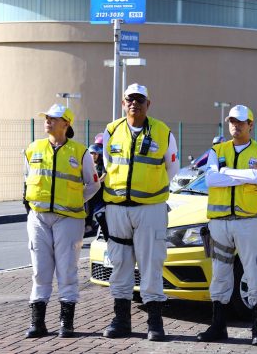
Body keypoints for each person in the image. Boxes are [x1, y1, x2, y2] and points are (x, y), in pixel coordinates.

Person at [101, 83, 179, 341]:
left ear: (149, 104)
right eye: (129, 99)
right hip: (117, 209)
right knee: (120, 264)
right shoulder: (112, 130)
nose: (134, 103)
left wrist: (150, 191)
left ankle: (155, 324)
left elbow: (171, 169)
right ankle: (121, 320)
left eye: (140, 99)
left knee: (151, 264)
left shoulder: (163, 132)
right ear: (123, 103)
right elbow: (108, 164)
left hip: (150, 209)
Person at [197, 105, 257, 346]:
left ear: (251, 124)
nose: (235, 125)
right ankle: (218, 326)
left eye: (241, 122)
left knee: (256, 272)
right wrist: (242, 173)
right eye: (232, 121)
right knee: (220, 275)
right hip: (220, 223)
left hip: (249, 221)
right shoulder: (216, 149)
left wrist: (226, 173)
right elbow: (210, 179)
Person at [23, 103, 101, 338]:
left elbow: (93, 183)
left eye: (54, 118)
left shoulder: (80, 152)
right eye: (47, 117)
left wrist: (77, 201)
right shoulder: (33, 149)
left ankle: (66, 323)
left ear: (66, 123)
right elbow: (27, 179)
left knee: (67, 270)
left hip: (69, 218)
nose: (48, 121)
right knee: (40, 269)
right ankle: (38, 323)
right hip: (38, 217)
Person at [84, 143, 105, 236]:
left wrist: (96, 184)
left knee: (91, 201)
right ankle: (86, 224)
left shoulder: (102, 164)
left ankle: (90, 226)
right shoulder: (87, 165)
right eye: (91, 153)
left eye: (95, 154)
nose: (93, 156)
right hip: (90, 190)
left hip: (100, 191)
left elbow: (104, 176)